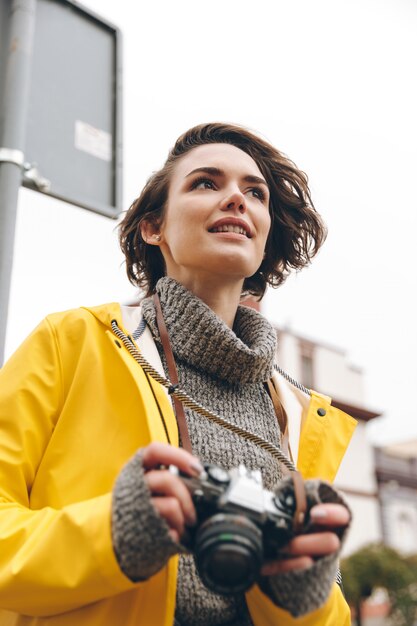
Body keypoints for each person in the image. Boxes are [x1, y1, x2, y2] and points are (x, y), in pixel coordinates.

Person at [0, 123, 357, 626]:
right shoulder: (72, 341)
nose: (236, 198)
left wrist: (305, 591)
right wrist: (112, 533)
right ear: (154, 227)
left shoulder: (304, 416)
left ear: (265, 232)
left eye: (255, 193)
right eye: (206, 183)